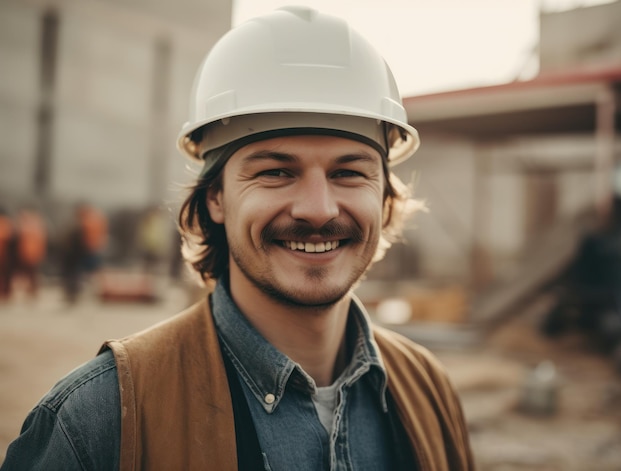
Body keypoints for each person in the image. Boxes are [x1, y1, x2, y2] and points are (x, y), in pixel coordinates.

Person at [1, 7, 475, 470]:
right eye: (275, 172)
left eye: (349, 172)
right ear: (216, 199)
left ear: (386, 198)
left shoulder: (429, 391)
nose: (318, 208)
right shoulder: (98, 423)